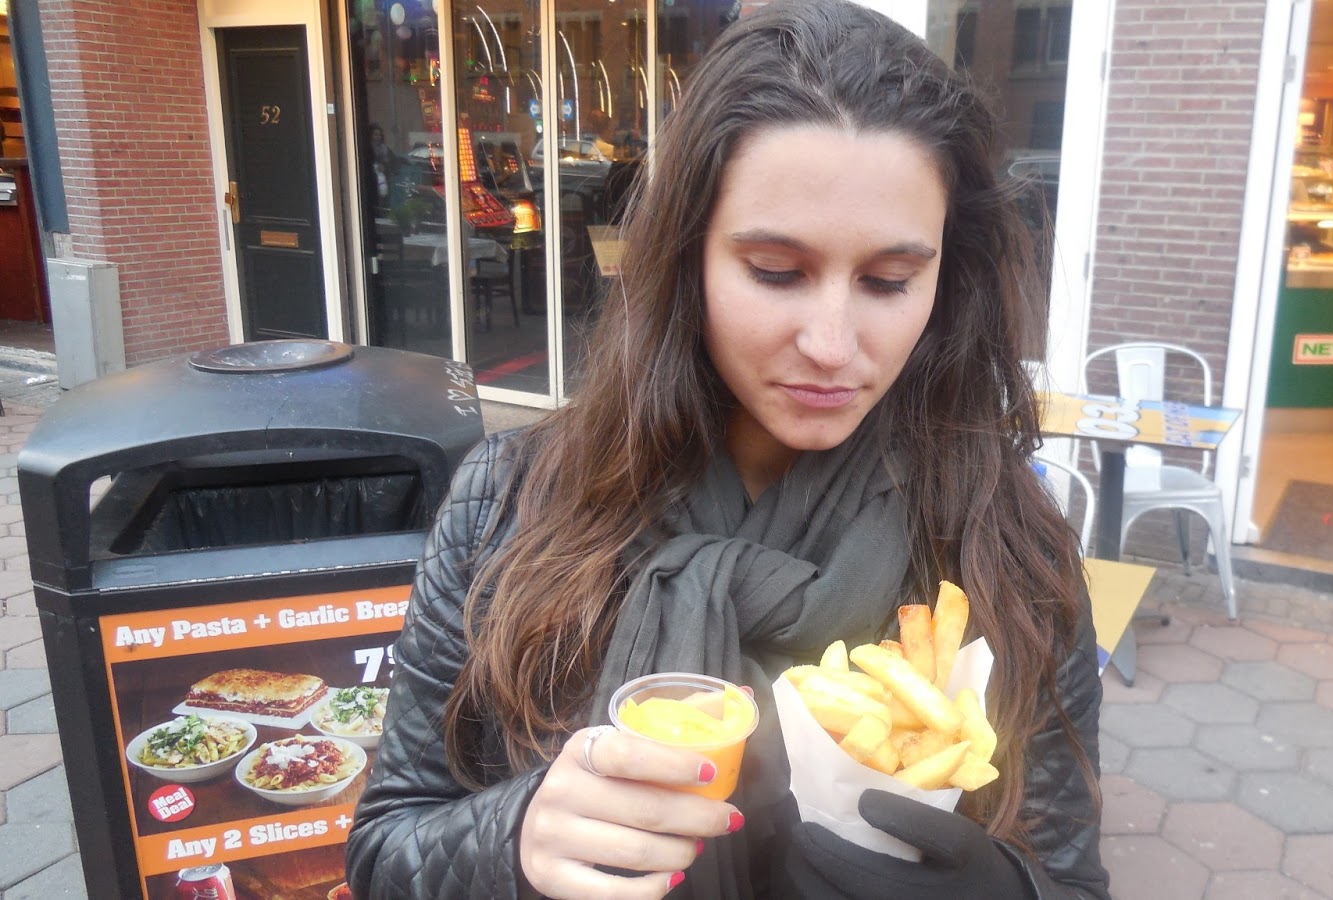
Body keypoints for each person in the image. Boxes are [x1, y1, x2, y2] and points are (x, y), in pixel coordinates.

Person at [347, 2, 1109, 899]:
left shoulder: (1007, 544)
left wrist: (1008, 891)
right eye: (775, 272)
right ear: (688, 258)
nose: (831, 345)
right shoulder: (507, 501)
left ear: (948, 278)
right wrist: (513, 839)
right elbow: (386, 844)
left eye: (889, 281)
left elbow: (1070, 877)